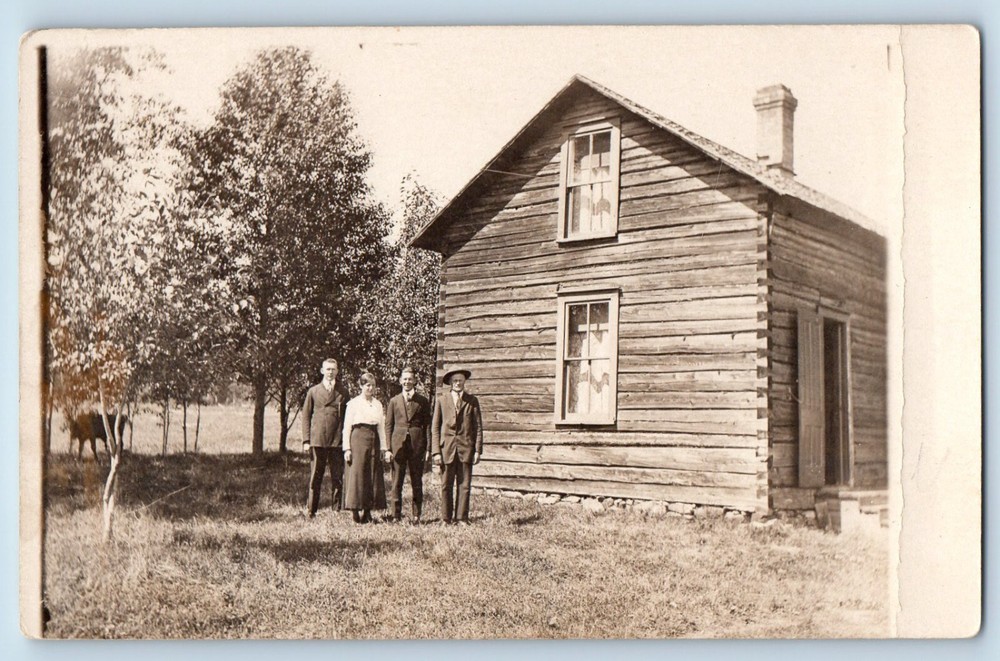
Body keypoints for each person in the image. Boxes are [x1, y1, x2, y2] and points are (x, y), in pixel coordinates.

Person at [431, 368, 483, 525]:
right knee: (446, 485)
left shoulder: (472, 401)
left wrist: (477, 450)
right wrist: (436, 452)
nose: (458, 383)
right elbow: (435, 428)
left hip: (466, 449)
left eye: (460, 380)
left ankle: (461, 518)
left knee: (464, 485)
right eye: (455, 380)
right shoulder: (442, 400)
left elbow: (478, 428)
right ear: (450, 383)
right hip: (447, 449)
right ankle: (446, 518)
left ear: (464, 382)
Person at [302, 358, 348, 518]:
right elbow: (306, 416)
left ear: (337, 371)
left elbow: (347, 418)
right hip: (318, 440)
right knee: (316, 476)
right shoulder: (313, 391)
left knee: (337, 476)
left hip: (337, 440)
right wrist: (306, 440)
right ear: (322, 371)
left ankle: (336, 510)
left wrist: (346, 441)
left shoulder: (343, 392)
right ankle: (311, 510)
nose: (330, 372)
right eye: (328, 369)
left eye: (333, 369)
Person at [384, 367, 431, 523]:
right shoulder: (394, 401)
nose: (407, 382)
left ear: (414, 381)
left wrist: (428, 449)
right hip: (398, 446)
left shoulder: (423, 401)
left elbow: (428, 427)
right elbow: (388, 426)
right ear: (400, 381)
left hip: (417, 446)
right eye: (404, 379)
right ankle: (395, 515)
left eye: (410, 379)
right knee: (397, 481)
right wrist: (388, 448)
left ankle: (417, 515)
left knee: (417, 481)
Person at [342, 372, 388, 523]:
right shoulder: (353, 404)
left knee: (372, 473)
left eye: (373, 385)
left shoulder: (378, 404)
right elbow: (347, 427)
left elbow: (381, 427)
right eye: (367, 385)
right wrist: (347, 448)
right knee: (357, 473)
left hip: (374, 439)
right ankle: (355, 511)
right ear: (361, 386)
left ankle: (367, 511)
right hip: (358, 439)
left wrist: (383, 448)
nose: (370, 388)